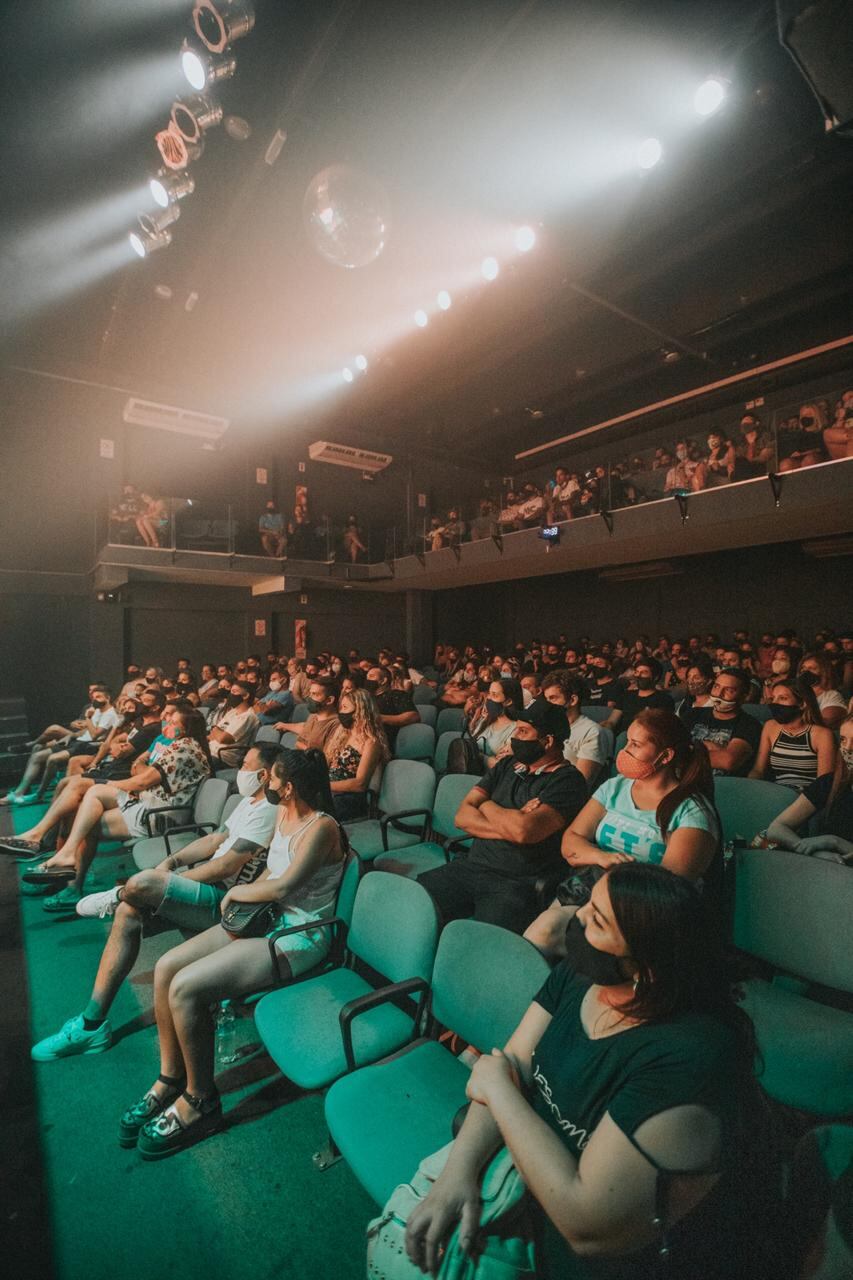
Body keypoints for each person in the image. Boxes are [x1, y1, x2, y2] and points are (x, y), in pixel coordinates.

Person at [406, 862, 764, 1279]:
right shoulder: (581, 975)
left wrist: (499, 1090)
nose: (575, 918)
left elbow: (583, 1224)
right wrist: (458, 1172)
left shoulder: (688, 1060)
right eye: (588, 904)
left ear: (644, 970)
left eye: (596, 919)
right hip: (530, 1185)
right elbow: (515, 1063)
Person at [119, 748, 346, 1158]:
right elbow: (268, 874)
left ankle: (201, 1101)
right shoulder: (284, 814)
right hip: (266, 919)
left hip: (298, 936)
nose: (266, 785)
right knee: (168, 966)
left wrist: (237, 893)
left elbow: (283, 886)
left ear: (289, 787)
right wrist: (244, 902)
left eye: (272, 780)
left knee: (187, 989)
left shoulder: (322, 828)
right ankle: (170, 1077)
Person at [29, 746, 279, 1061]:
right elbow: (216, 840)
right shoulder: (248, 802)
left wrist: (174, 881)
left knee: (143, 884)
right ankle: (91, 1024)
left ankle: (118, 893)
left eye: (245, 764)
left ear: (265, 774)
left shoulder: (270, 809)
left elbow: (227, 866)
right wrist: (173, 860)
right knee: (128, 913)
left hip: (231, 906)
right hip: (210, 889)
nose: (239, 768)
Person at [525, 708, 719, 960]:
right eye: (627, 742)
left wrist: (611, 873)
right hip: (592, 888)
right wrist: (601, 858)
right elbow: (571, 842)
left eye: (635, 745)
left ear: (665, 756)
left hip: (642, 914)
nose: (624, 751)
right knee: (542, 931)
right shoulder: (614, 787)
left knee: (550, 935)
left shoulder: (692, 811)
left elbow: (669, 890)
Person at [17, 708, 213, 912]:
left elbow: (142, 780)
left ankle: (71, 880)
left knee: (89, 820)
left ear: (185, 729)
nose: (167, 723)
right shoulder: (185, 744)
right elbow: (142, 773)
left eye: (173, 722)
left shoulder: (184, 748)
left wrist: (110, 782)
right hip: (149, 801)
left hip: (160, 814)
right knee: (93, 791)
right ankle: (63, 855)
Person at [417, 701, 587, 934]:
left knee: (484, 943)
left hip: (516, 882)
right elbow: (462, 816)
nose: (515, 737)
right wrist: (510, 821)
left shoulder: (568, 781)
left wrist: (485, 806)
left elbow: (523, 831)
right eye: (516, 729)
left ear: (547, 742)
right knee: (415, 904)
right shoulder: (508, 764)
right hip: (471, 866)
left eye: (523, 732)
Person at [766, 714, 853, 863]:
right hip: (827, 871)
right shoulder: (831, 782)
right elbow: (776, 828)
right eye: (843, 739)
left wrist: (834, 842)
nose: (847, 748)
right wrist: (809, 850)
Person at [749, 679, 836, 791]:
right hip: (776, 793)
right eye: (773, 698)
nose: (775, 703)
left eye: (783, 698)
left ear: (802, 704)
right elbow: (758, 770)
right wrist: (750, 788)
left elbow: (823, 783)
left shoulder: (822, 735)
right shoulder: (770, 726)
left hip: (807, 799)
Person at [324, 687, 389, 821]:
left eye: (345, 707)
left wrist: (324, 785)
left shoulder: (371, 742)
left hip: (350, 798)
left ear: (359, 711)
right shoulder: (342, 733)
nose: (341, 712)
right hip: (332, 791)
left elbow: (360, 784)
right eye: (341, 707)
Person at [682, 668, 760, 776]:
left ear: (743, 697)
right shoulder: (694, 713)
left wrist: (686, 752)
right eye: (716, 686)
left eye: (729, 690)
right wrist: (714, 748)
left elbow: (728, 761)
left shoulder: (750, 724)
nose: (719, 694)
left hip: (722, 786)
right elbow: (669, 745)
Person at [541, 672, 608, 791]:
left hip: (561, 795)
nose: (547, 704)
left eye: (553, 698)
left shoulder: (592, 732)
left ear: (572, 700)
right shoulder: (545, 726)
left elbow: (580, 783)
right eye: (546, 699)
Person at [603, 658, 674, 734]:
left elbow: (661, 729)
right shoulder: (626, 695)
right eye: (637, 672)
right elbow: (612, 721)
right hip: (621, 736)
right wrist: (604, 728)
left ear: (655, 677)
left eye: (644, 672)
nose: (639, 676)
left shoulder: (664, 699)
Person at [276, 676, 341, 752]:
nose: (309, 698)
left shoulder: (336, 724)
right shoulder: (313, 716)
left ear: (329, 700)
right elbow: (298, 742)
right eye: (310, 693)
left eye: (314, 694)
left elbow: (324, 756)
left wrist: (305, 748)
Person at [467, 679, 520, 768]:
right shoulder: (487, 719)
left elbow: (498, 765)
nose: (488, 698)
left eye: (494, 695)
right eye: (489, 693)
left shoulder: (515, 729)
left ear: (508, 701)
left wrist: (473, 754)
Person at [365, 665, 418, 752]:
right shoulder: (366, 697)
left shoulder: (396, 695)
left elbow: (413, 716)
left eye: (371, 676)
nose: (367, 679)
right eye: (367, 676)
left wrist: (380, 718)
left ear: (383, 680)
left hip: (382, 743)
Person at [207, 681, 258, 770]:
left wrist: (216, 731)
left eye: (234, 692)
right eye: (230, 692)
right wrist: (216, 731)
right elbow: (213, 733)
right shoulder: (232, 712)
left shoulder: (248, 716)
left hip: (224, 758)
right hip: (211, 751)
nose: (230, 695)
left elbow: (223, 738)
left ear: (245, 696)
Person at [798, 652, 847, 730]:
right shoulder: (796, 693)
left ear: (824, 672)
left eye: (812, 668)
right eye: (803, 668)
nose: (805, 672)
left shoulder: (832, 695)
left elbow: (824, 724)